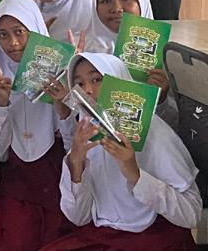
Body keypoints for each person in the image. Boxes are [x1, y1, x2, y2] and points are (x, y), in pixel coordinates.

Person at [40, 53, 201, 250]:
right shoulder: (86, 132)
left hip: (153, 238)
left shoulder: (155, 133)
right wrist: (76, 163)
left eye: (97, 79)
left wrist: (135, 174)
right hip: (101, 236)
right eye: (79, 84)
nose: (88, 90)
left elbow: (192, 213)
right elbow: (78, 217)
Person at [0, 0, 73, 250]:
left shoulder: (61, 75)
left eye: (20, 32)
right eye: (3, 35)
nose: (13, 43)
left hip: (58, 179)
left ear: (36, 30)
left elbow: (72, 146)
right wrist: (2, 101)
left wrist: (62, 102)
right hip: (14, 182)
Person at [91, 0, 177, 127]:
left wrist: (161, 99)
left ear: (142, 1)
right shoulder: (86, 53)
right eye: (105, 1)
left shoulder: (164, 56)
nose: (116, 8)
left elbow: (179, 124)